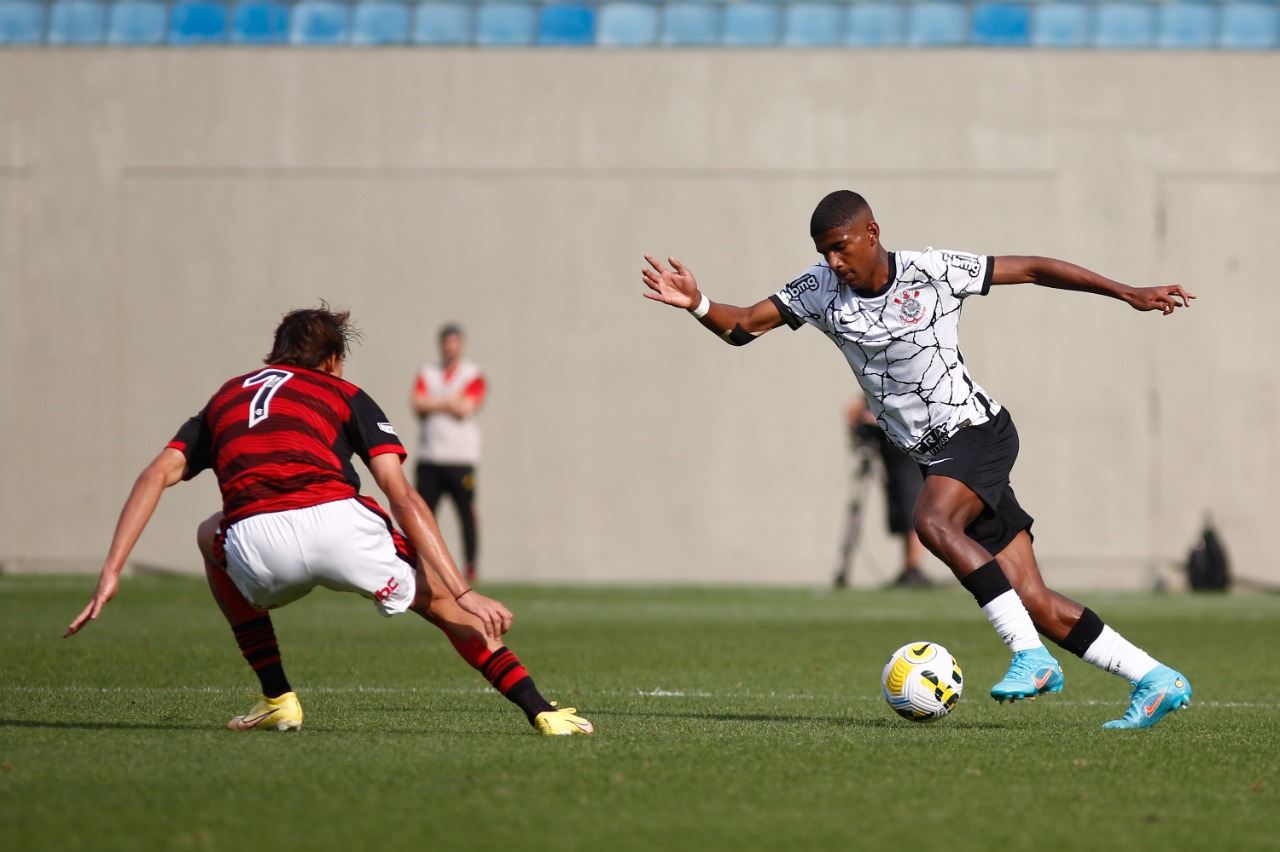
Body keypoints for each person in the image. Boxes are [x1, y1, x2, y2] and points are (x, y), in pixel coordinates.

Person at [642, 190, 1196, 730]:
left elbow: (1033, 268)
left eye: (840, 247)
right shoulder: (817, 289)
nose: (833, 262)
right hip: (939, 458)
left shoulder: (930, 270)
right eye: (823, 252)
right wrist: (698, 303)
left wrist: (1126, 291)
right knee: (1032, 598)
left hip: (978, 433)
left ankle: (1030, 657)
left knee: (931, 523)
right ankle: (1154, 678)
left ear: (872, 233)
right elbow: (744, 327)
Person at [65, 306, 592, 737]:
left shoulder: (227, 395)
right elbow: (402, 495)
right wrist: (464, 589)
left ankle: (278, 697)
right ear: (334, 359)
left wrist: (112, 570)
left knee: (208, 534)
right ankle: (540, 709)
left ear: (275, 352)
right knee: (439, 602)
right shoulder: (345, 393)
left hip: (257, 548)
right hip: (340, 530)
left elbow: (156, 474)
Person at [412, 324, 485, 583]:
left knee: (466, 515)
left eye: (454, 342)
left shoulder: (472, 374)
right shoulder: (427, 372)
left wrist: (435, 402)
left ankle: (470, 567)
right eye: (446, 342)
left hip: (461, 459)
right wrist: (448, 401)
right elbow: (417, 404)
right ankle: (419, 565)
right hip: (430, 457)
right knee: (422, 515)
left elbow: (465, 407)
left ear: (461, 344)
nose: (450, 347)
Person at [835, 396, 930, 589]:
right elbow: (856, 414)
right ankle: (909, 568)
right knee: (904, 516)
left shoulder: (908, 391)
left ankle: (913, 569)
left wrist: (875, 418)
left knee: (912, 511)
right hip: (893, 461)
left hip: (908, 459)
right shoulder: (879, 390)